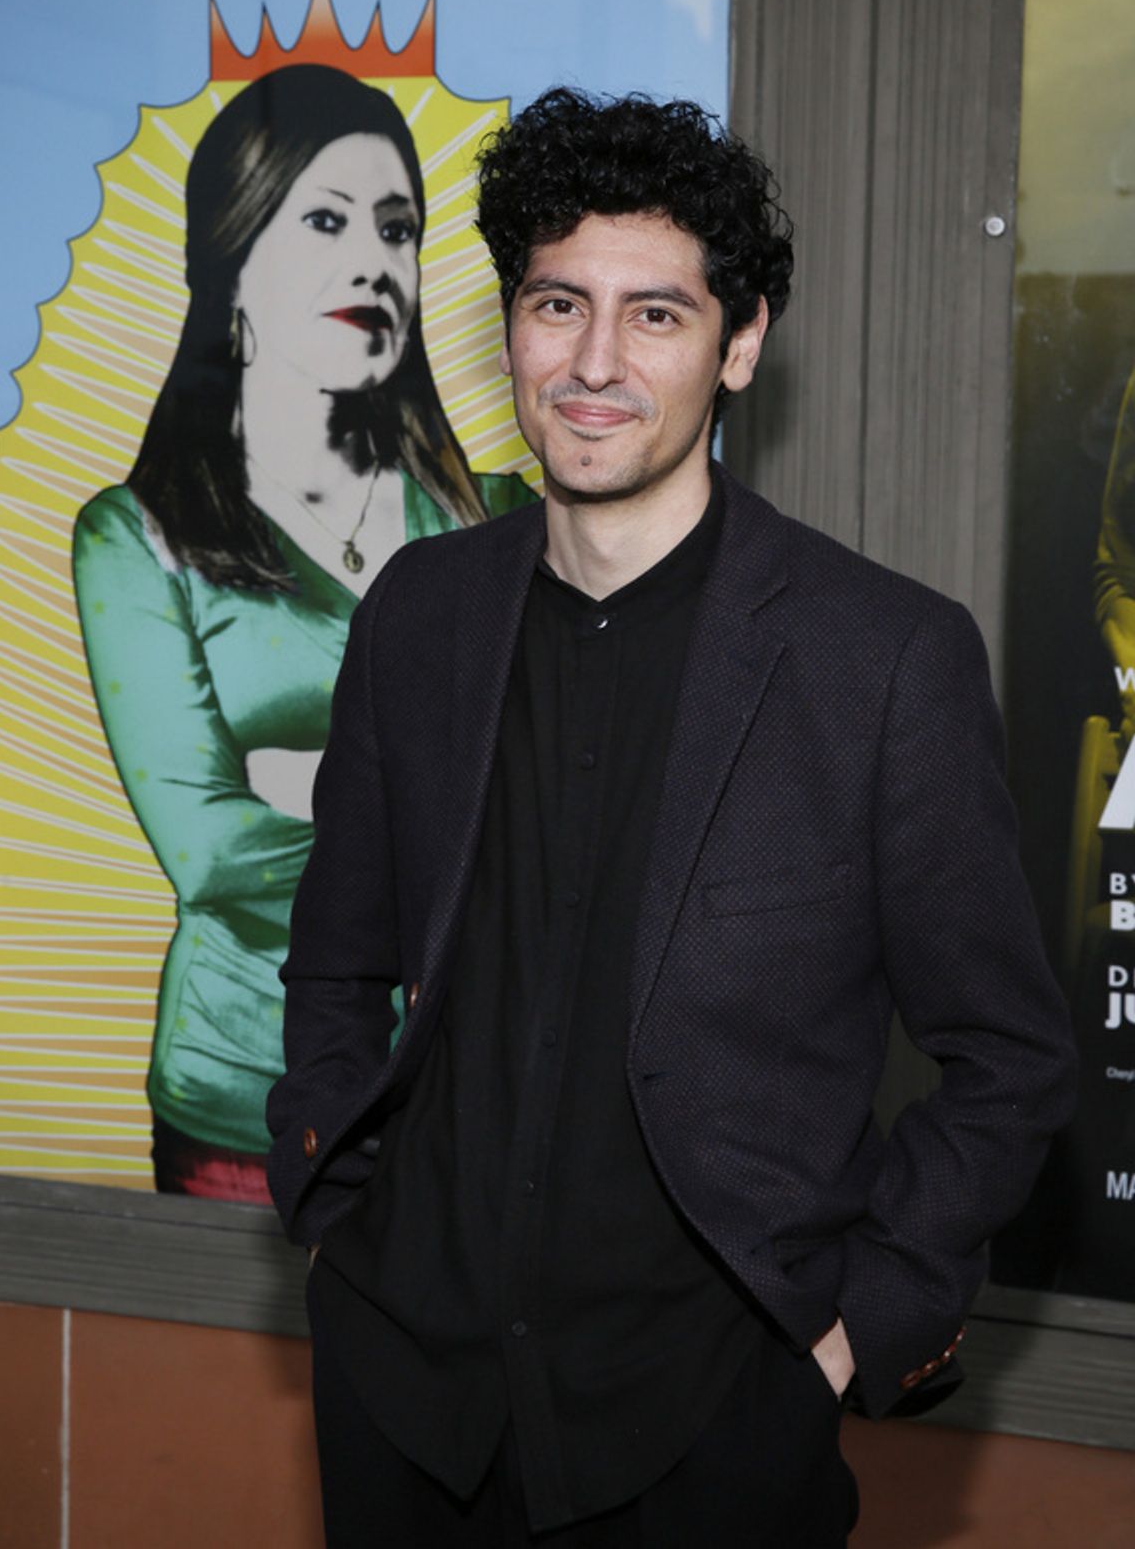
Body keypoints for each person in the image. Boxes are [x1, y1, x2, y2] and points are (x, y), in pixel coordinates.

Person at [268, 88, 1077, 1545]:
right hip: (404, 1394)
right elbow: (335, 958)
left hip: (709, 1435)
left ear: (740, 342)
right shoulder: (420, 616)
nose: (594, 363)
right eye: (558, 304)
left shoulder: (881, 660)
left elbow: (1008, 1059)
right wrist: (334, 1224)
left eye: (656, 315)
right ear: (508, 326)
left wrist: (848, 1338)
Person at [73, 64, 532, 1204]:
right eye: (325, 221)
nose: (373, 260)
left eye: (397, 228)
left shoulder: (502, 519)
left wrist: (305, 780)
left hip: (477, 1089)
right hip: (245, 1092)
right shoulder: (137, 538)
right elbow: (210, 850)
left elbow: (562, 797)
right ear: (232, 260)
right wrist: (444, 828)